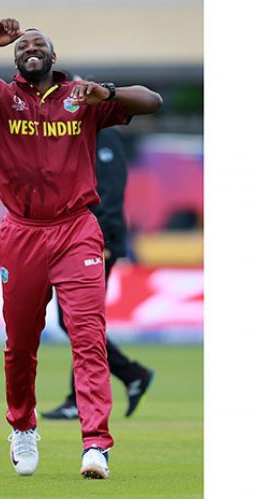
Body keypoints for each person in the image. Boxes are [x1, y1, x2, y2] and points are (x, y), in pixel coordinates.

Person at [0, 19, 161, 480]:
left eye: (40, 44)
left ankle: (96, 444)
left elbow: (153, 102)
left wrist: (106, 94)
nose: (31, 48)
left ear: (53, 56)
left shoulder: (83, 97)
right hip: (22, 232)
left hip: (76, 231)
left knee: (89, 339)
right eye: (23, 45)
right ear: (15, 59)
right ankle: (23, 426)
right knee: (21, 344)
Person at [42, 127, 155, 421]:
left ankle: (92, 394)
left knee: (79, 320)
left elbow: (111, 192)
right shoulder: (79, 137)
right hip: (78, 239)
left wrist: (104, 240)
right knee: (76, 321)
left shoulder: (103, 136)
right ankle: (130, 376)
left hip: (97, 242)